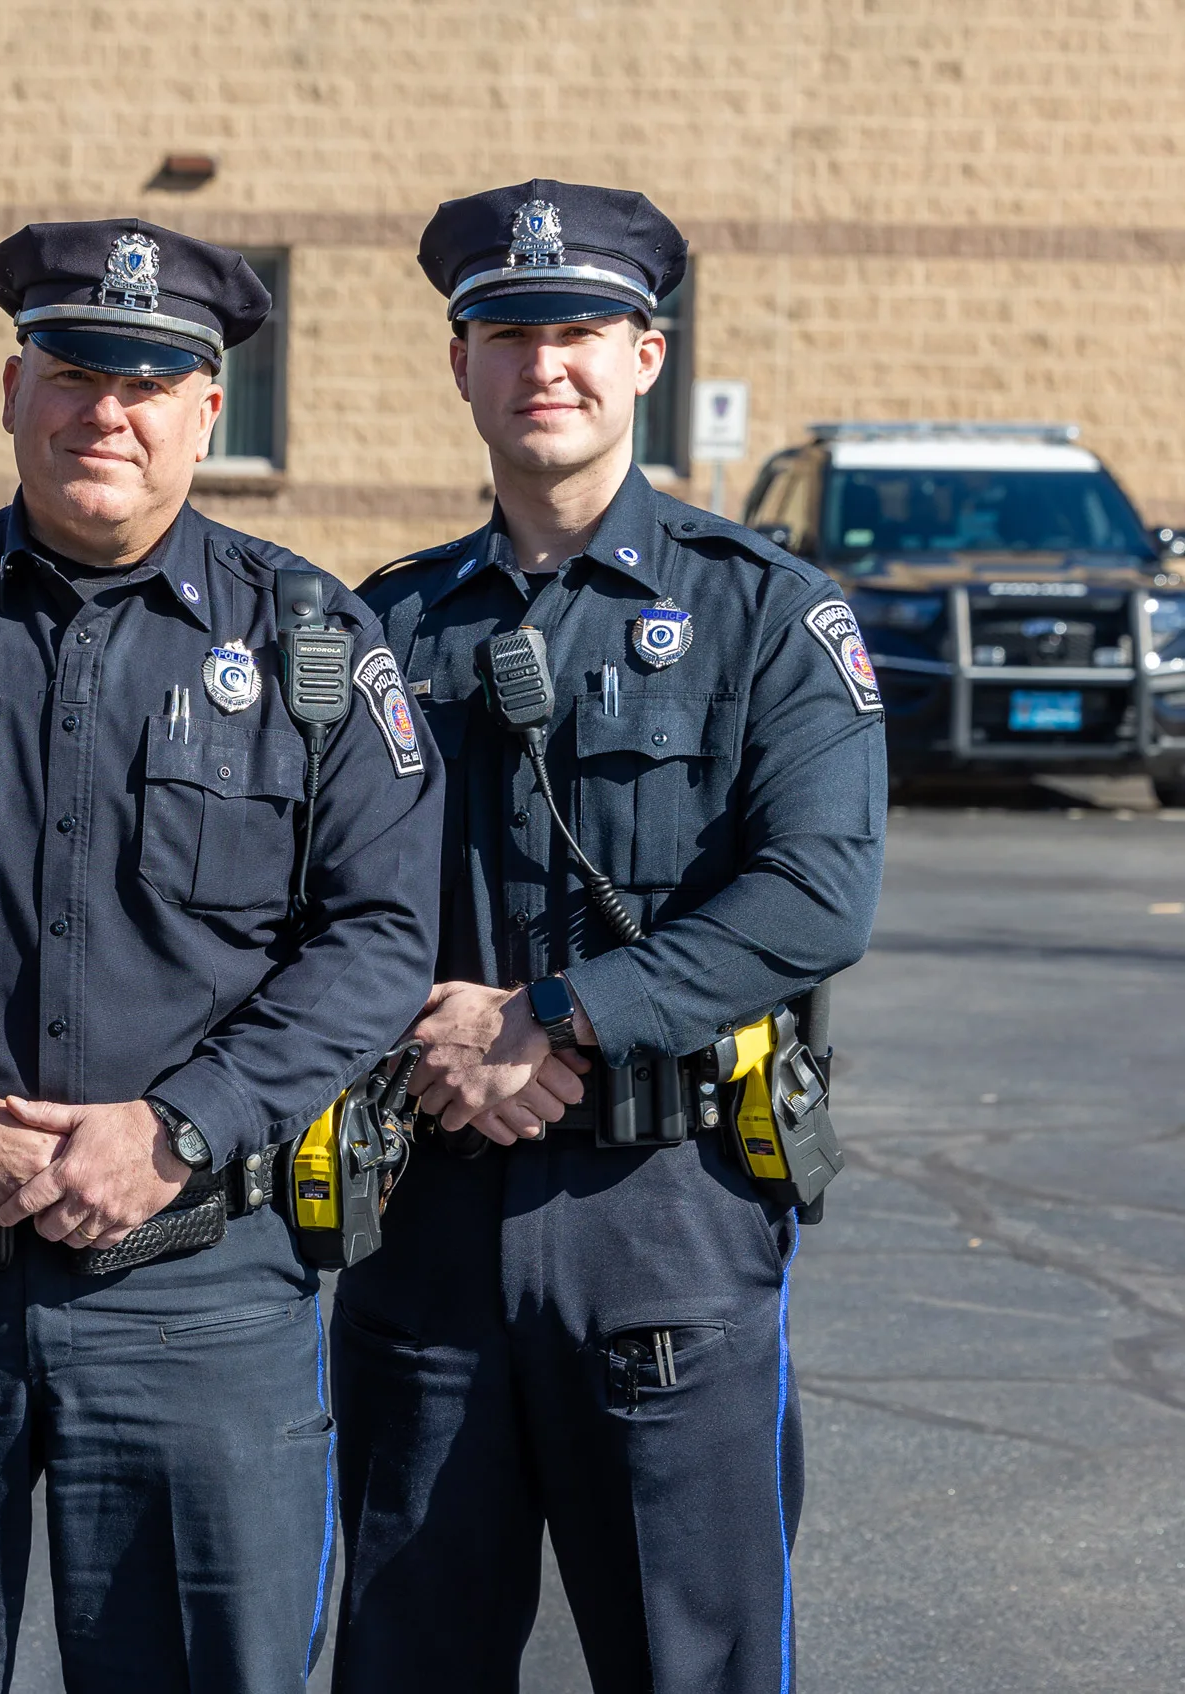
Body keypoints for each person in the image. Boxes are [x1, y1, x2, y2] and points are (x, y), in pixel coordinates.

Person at [0, 219, 445, 1692]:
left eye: (148, 376)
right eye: (72, 369)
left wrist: (181, 1126)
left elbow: (376, 939)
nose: (101, 409)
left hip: (196, 1294)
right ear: (12, 387)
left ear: (205, 409)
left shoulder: (311, 641)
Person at [334, 180, 888, 1692]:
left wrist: (559, 1011)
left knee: (690, 1658)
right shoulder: (381, 629)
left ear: (646, 355)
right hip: (426, 1218)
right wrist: (434, 1042)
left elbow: (815, 889)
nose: (542, 365)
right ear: (459, 363)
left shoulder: (765, 613)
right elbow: (304, 902)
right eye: (504, 333)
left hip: (668, 1222)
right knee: (405, 1653)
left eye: (577, 328)